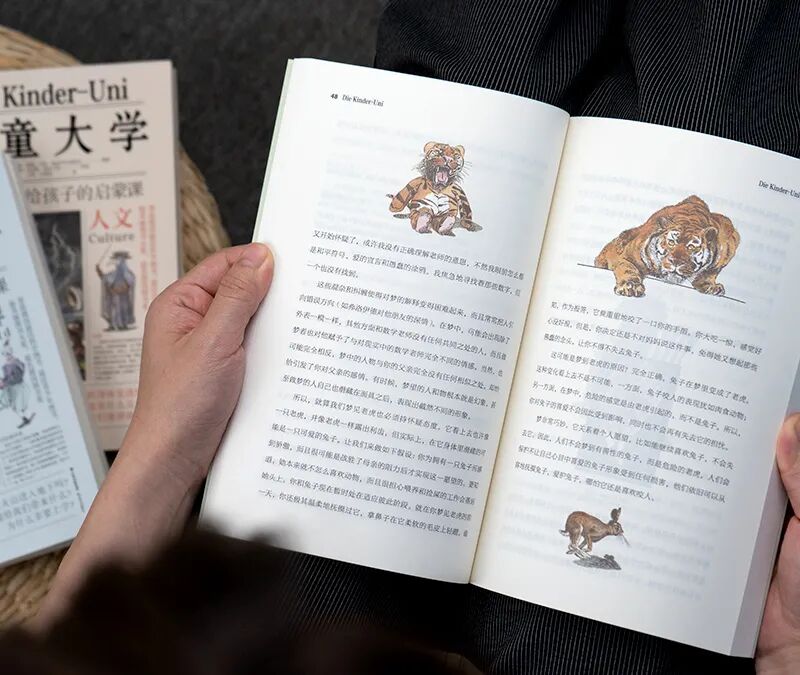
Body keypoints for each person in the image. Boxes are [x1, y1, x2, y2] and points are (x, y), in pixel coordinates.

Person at [0, 241, 794, 674]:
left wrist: (166, 447)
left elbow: (74, 652)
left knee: (474, 77)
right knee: (716, 101)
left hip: (260, 633)